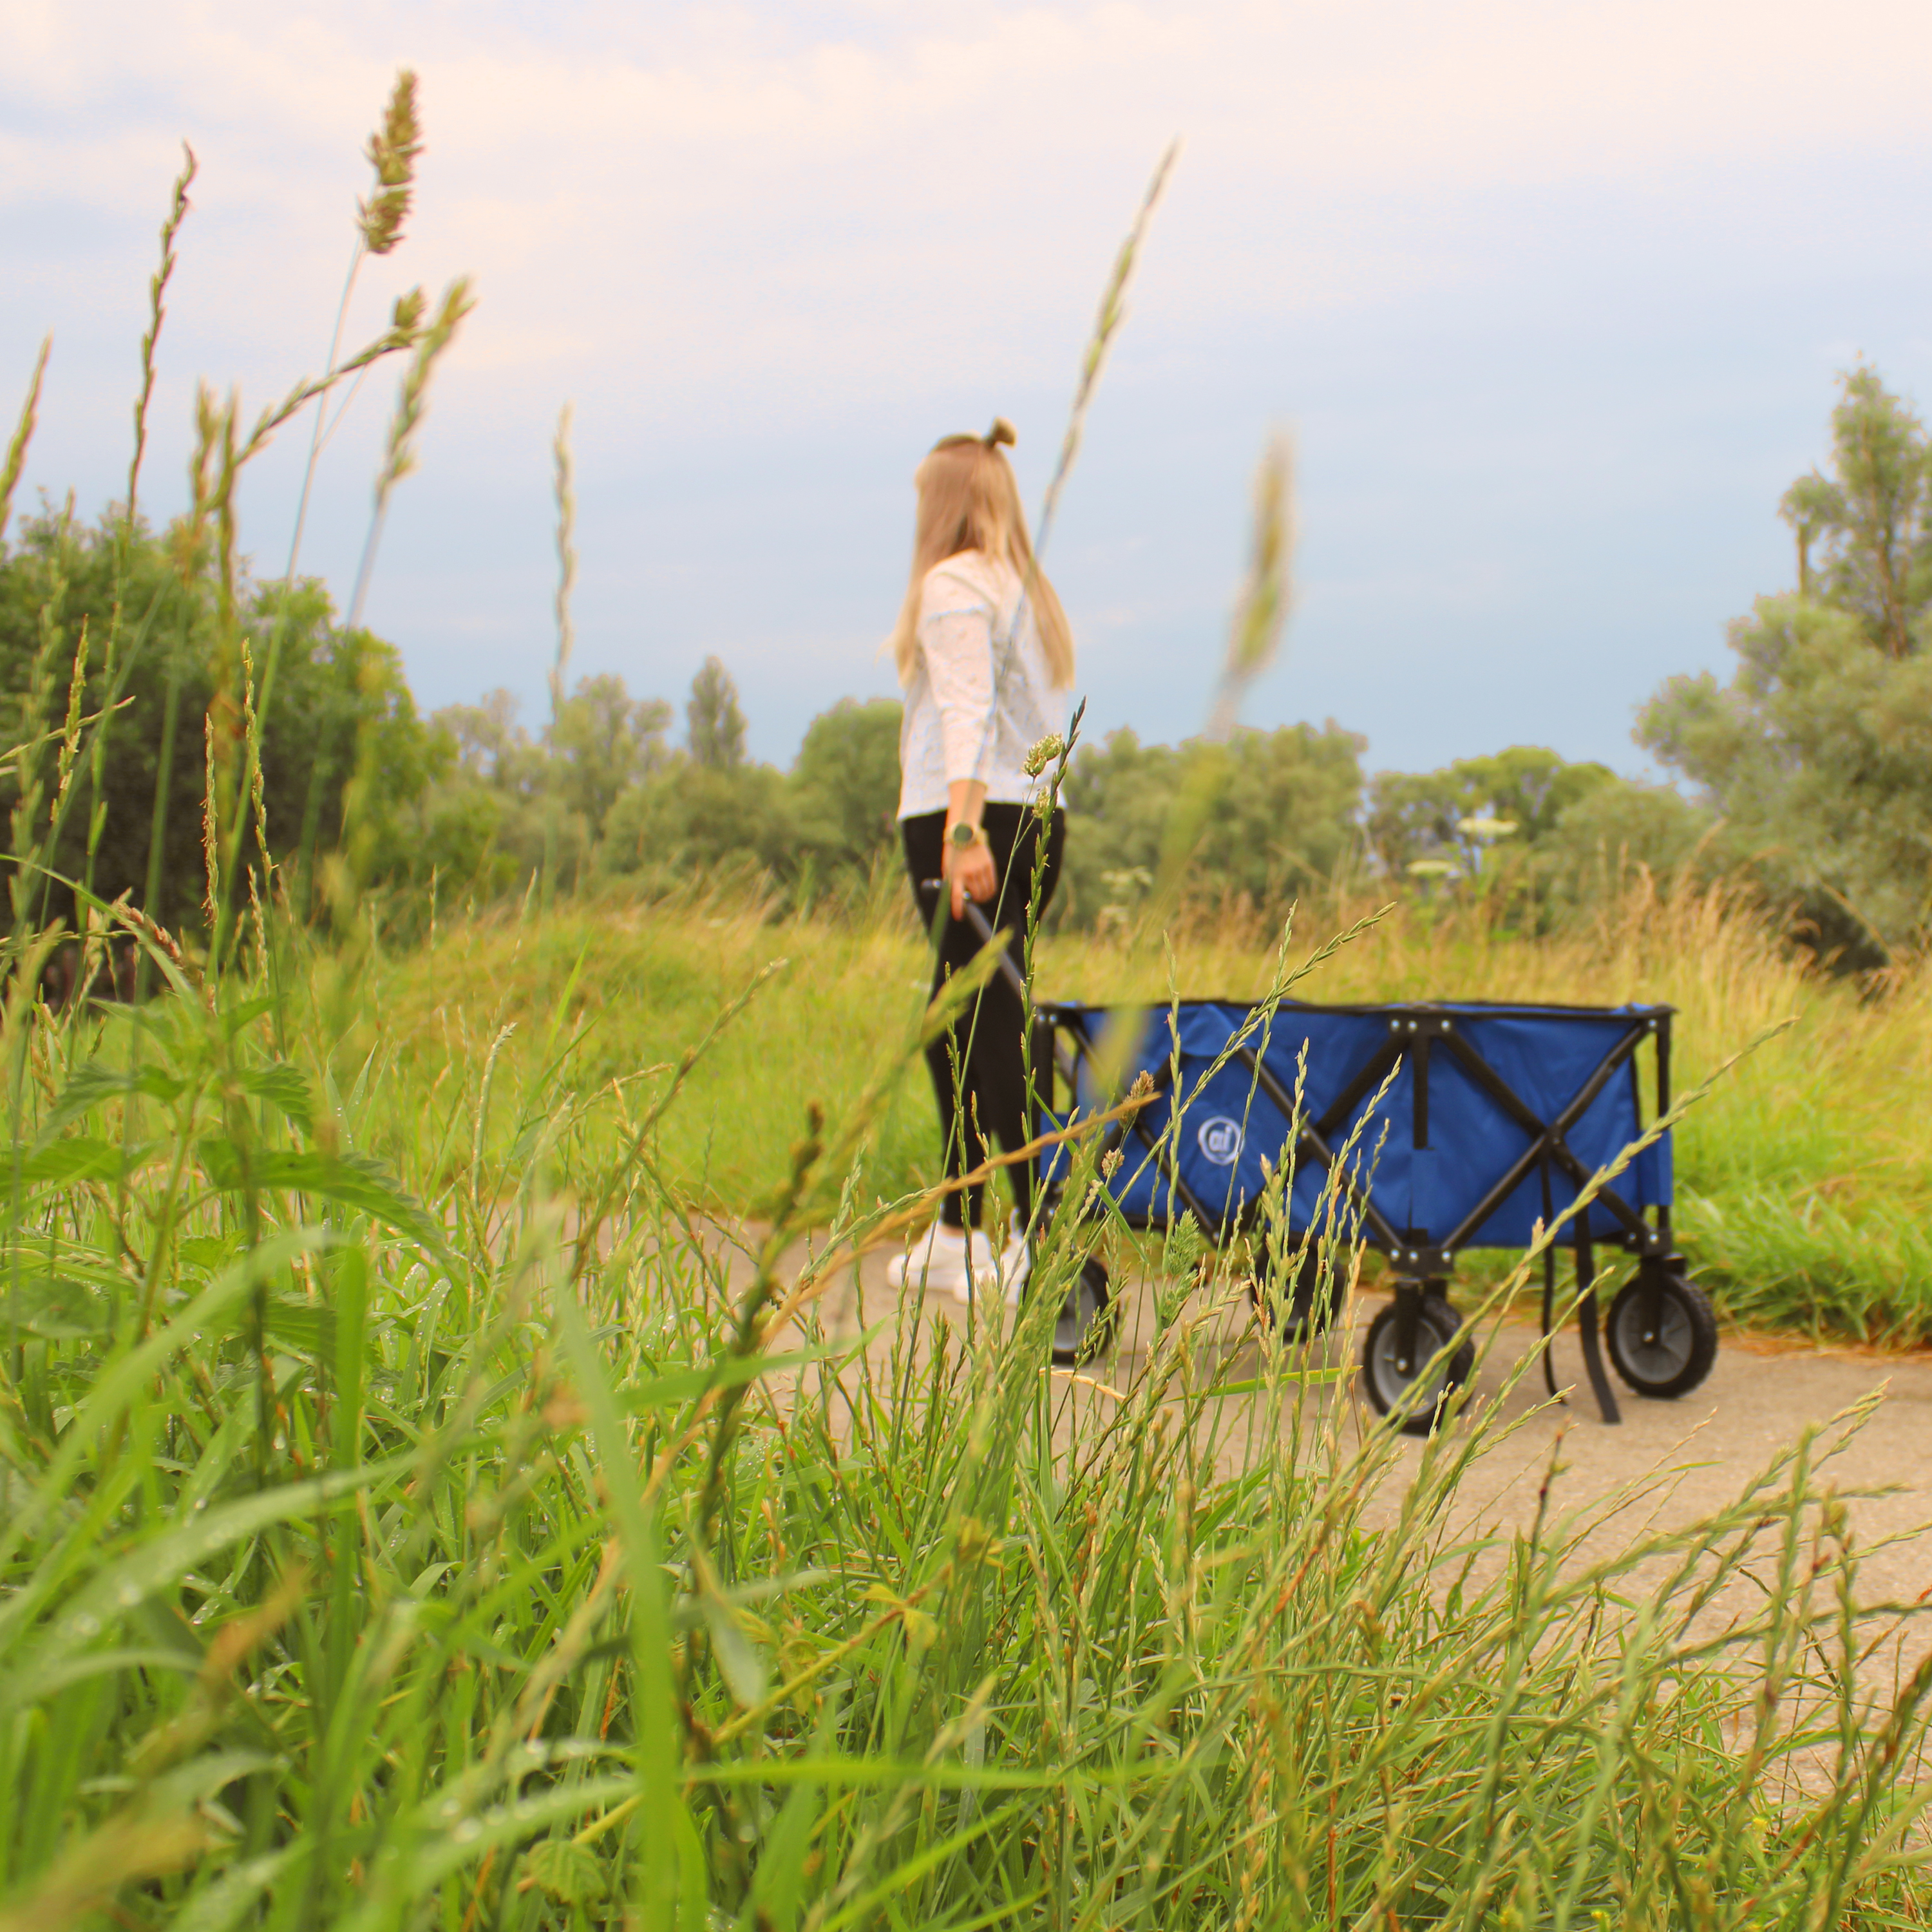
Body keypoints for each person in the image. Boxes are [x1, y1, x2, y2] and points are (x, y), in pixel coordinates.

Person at [885, 419, 1076, 1302]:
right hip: (1033, 813)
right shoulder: (1022, 588)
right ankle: (962, 1231)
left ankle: (1033, 1241)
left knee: (987, 1026)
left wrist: (964, 833)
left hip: (973, 819)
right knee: (955, 1017)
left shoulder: (954, 584)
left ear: (946, 503)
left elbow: (966, 710)